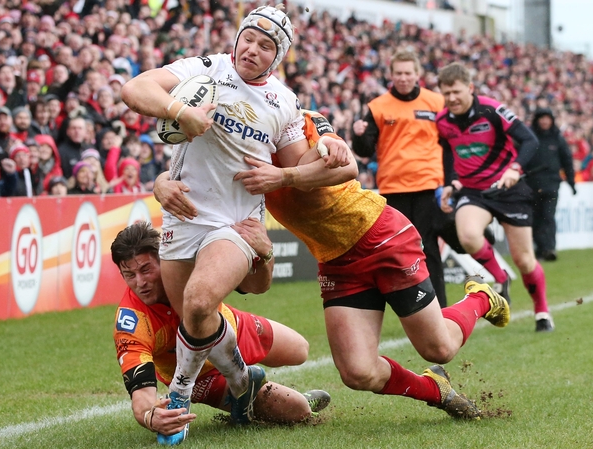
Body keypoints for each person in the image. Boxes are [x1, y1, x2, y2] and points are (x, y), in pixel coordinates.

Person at [155, 110, 510, 427]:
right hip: (336, 261)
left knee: (438, 349)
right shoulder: (234, 145)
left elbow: (348, 164)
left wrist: (284, 175)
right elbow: (193, 174)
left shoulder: (295, 118)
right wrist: (160, 183)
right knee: (358, 372)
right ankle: (435, 389)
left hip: (379, 234)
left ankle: (480, 297)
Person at [120, 5, 353, 444]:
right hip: (183, 215)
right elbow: (135, 88)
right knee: (197, 315)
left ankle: (180, 396)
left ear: (277, 57)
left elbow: (306, 168)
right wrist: (178, 111)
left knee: (200, 298)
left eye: (266, 46)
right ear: (237, 38)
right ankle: (242, 382)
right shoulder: (205, 69)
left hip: (237, 222)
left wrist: (326, 145)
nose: (252, 49)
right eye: (249, 38)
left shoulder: (283, 102)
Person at [112, 222, 331, 437]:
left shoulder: (186, 263)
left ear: (164, 259)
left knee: (300, 349)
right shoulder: (131, 323)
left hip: (231, 326)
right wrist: (152, 417)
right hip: (202, 374)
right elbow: (141, 397)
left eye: (145, 269)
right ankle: (274, 397)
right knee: (298, 409)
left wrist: (267, 255)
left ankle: (246, 384)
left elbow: (255, 286)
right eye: (129, 275)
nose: (140, 282)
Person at [435, 62, 554, 332]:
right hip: (474, 192)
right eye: (446, 93)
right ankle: (500, 279)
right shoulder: (442, 121)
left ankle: (542, 312)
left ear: (471, 88)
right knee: (467, 235)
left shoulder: (491, 109)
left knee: (524, 260)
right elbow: (448, 153)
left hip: (509, 189)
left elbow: (530, 140)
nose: (452, 98)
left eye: (456, 91)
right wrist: (449, 183)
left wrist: (515, 169)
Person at [352, 50, 448, 306]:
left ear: (418, 74)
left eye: (408, 73)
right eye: (399, 73)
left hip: (429, 185)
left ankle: (440, 306)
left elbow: (451, 141)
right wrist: (358, 134)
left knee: (429, 247)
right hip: (394, 188)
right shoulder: (378, 106)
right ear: (391, 75)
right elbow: (364, 151)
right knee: (398, 251)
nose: (404, 78)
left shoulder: (437, 103)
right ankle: (410, 305)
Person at [526, 108, 576, 261]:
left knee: (548, 217)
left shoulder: (557, 139)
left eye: (547, 118)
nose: (544, 121)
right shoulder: (529, 137)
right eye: (541, 118)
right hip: (531, 184)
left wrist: (571, 182)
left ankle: (549, 249)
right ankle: (539, 249)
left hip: (551, 185)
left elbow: (567, 161)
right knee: (534, 218)